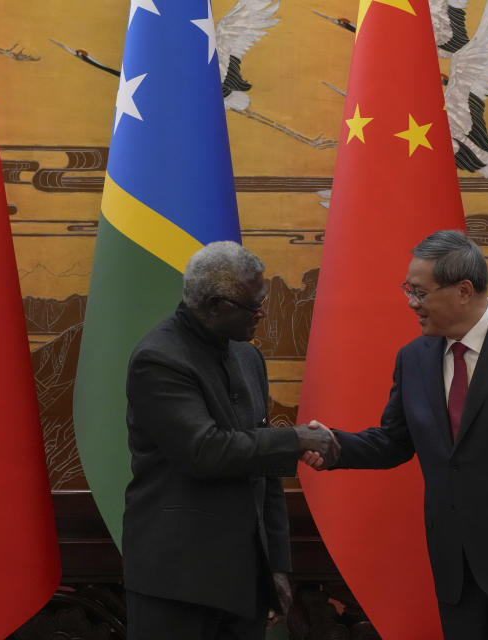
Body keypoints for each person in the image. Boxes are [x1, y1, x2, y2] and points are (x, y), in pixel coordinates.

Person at [303, 230, 488, 639]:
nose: (410, 303)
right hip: (456, 571)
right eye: (409, 290)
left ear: (463, 290)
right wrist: (333, 446)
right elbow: (393, 442)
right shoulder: (413, 358)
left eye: (419, 292)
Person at [122, 240, 340, 640]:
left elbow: (264, 471)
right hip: (178, 583)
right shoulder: (158, 359)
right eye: (253, 306)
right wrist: (294, 438)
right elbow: (204, 452)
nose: (262, 314)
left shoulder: (247, 356)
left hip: (243, 581)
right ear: (216, 305)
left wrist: (276, 564)